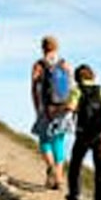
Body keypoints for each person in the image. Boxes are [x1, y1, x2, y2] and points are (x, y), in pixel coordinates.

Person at [64, 64, 101, 200]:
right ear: (93, 76)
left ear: (77, 78)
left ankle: (75, 195)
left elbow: (71, 107)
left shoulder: (76, 90)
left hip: (83, 134)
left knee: (75, 163)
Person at [31, 35, 74, 190]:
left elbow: (34, 89)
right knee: (59, 141)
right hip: (63, 109)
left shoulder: (39, 65)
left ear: (43, 48)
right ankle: (60, 178)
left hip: (46, 108)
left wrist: (37, 107)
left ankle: (51, 168)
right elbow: (71, 87)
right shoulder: (65, 64)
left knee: (44, 141)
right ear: (57, 47)